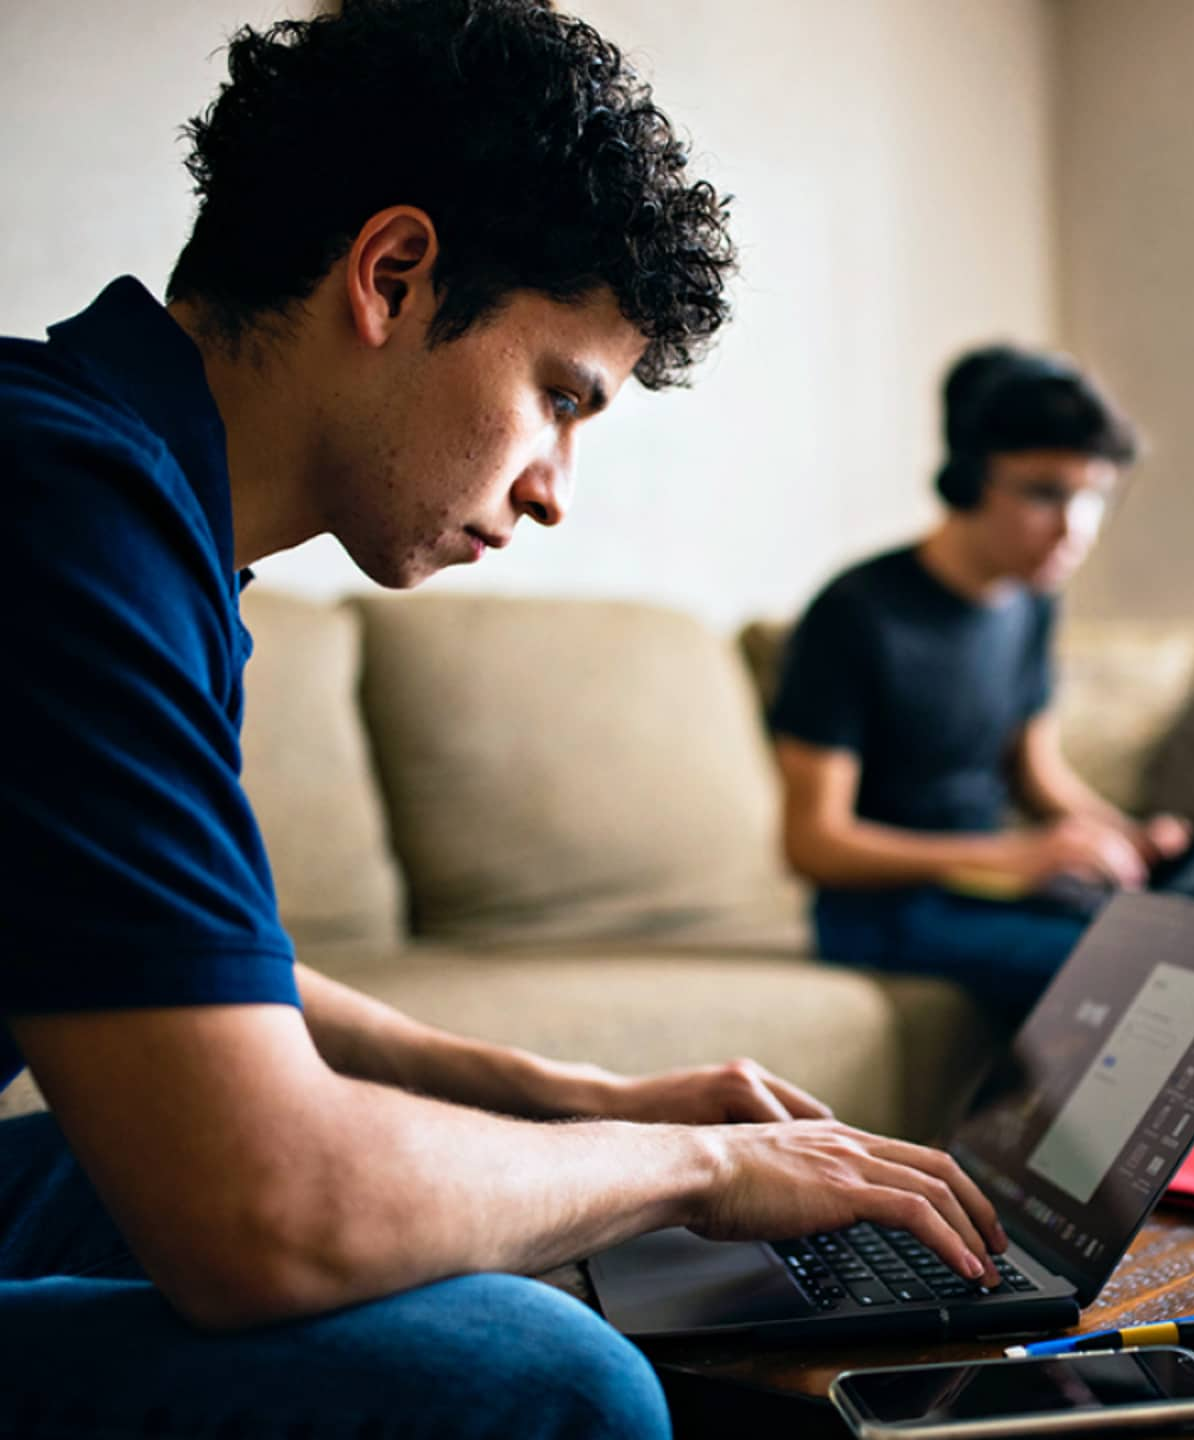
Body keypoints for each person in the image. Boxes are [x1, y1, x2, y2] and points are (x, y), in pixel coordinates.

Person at [0, 4, 1006, 1436]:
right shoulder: (60, 515)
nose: (554, 488)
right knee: (545, 1377)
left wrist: (563, 1096)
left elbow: (179, 967)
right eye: (557, 396)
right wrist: (692, 1170)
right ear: (394, 275)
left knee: (543, 1235)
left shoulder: (136, 511)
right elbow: (262, 1209)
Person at [769, 344, 1194, 1029]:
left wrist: (1127, 837)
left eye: (1094, 496)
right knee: (1168, 961)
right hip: (888, 910)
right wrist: (1014, 857)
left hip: (995, 889)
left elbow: (1038, 776)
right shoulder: (857, 612)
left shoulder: (1030, 604)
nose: (1074, 529)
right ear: (969, 478)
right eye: (1044, 493)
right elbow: (813, 841)